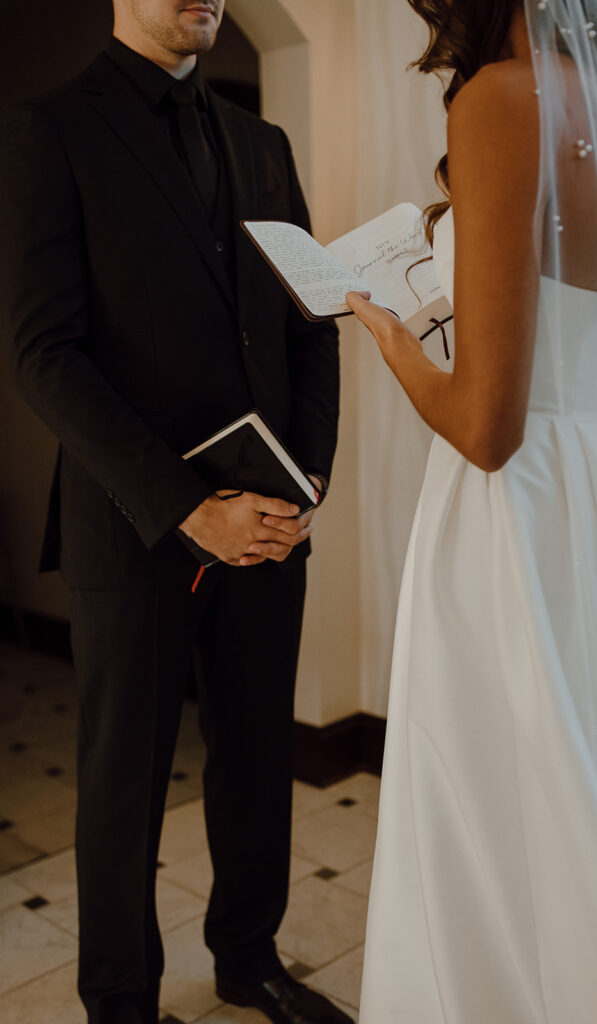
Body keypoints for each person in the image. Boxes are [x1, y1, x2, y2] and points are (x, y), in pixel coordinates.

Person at [0, 2, 349, 1023]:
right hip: (137, 526)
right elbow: (42, 356)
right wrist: (190, 506)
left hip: (273, 519)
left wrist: (309, 474)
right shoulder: (51, 128)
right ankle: (119, 999)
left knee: (254, 754)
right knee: (124, 780)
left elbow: (311, 320)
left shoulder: (261, 141)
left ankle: (248, 957)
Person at [348, 0, 597, 1020]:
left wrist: (386, 327)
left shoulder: (499, 102)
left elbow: (485, 427)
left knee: (496, 804)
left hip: (513, 515)